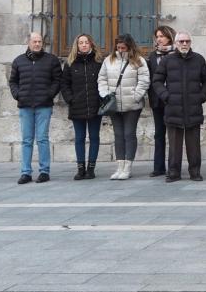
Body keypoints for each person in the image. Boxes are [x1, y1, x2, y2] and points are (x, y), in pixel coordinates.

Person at [152, 31, 206, 182]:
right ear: (176, 43)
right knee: (174, 144)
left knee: (194, 144)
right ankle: (173, 172)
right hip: (173, 108)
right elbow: (157, 81)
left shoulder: (198, 59)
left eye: (187, 41)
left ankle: (195, 172)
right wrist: (166, 96)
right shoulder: (167, 60)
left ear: (190, 43)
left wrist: (202, 97)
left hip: (193, 108)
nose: (184, 44)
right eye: (181, 41)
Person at [10, 32, 62, 184]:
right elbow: (13, 81)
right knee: (26, 140)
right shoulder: (18, 61)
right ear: (29, 42)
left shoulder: (51, 60)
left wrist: (49, 94)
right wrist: (18, 95)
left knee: (42, 139)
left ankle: (44, 171)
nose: (37, 44)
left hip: (44, 106)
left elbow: (57, 80)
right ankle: (26, 172)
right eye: (34, 41)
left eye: (39, 41)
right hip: (25, 106)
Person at [99, 33, 150, 181]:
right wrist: (105, 94)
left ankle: (128, 167)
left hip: (132, 104)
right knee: (118, 135)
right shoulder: (109, 60)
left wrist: (136, 96)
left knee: (129, 134)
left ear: (129, 47)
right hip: (114, 104)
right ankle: (119, 166)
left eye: (123, 47)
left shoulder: (138, 61)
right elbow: (102, 78)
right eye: (118, 47)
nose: (120, 50)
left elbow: (144, 80)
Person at [61, 33, 103, 181]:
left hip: (94, 106)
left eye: (86, 42)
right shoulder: (70, 63)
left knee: (94, 137)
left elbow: (104, 82)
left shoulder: (98, 62)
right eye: (81, 43)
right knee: (79, 138)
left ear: (91, 44)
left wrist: (101, 100)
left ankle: (91, 168)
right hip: (77, 106)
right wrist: (70, 99)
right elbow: (64, 84)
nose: (84, 45)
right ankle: (80, 168)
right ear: (77, 45)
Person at [146, 25, 176, 178]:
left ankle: (173, 166)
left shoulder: (177, 54)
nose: (159, 39)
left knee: (174, 134)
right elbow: (150, 78)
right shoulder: (152, 56)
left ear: (169, 37)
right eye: (157, 36)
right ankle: (158, 167)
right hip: (157, 100)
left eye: (162, 36)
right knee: (159, 134)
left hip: (173, 100)